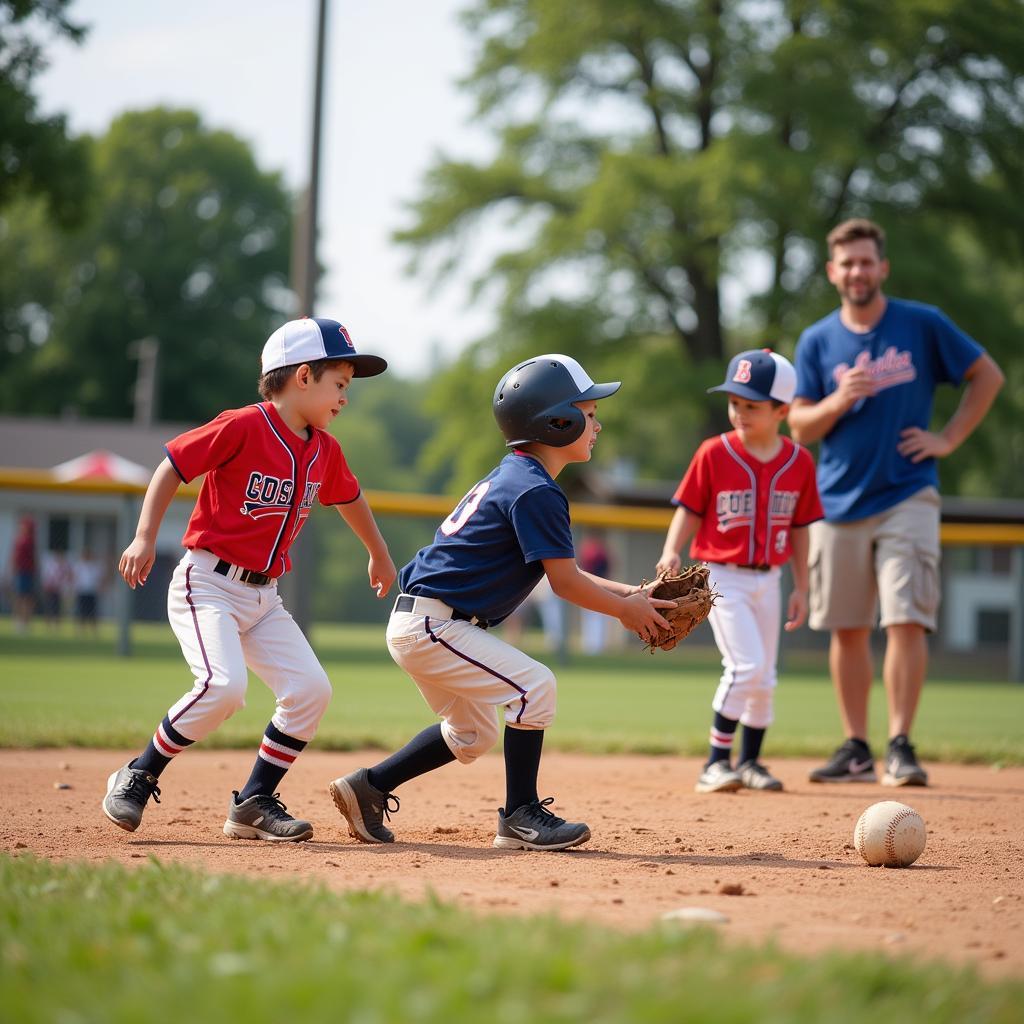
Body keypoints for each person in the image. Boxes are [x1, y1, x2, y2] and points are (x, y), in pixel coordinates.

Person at [327, 353, 673, 852]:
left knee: (473, 732)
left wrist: (633, 595)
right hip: (435, 627)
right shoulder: (536, 491)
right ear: (558, 421)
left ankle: (370, 787)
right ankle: (520, 816)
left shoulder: (518, 478)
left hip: (426, 623)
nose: (597, 423)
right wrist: (625, 611)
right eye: (589, 413)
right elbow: (567, 586)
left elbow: (567, 573)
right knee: (536, 686)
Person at [102, 317, 397, 842]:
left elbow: (349, 497)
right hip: (208, 582)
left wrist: (377, 552)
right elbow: (172, 464)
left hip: (264, 597)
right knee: (224, 687)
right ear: (303, 376)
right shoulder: (243, 424)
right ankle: (138, 773)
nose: (345, 397)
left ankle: (254, 802)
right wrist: (144, 536)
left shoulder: (324, 449)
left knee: (310, 690)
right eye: (340, 384)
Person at [789, 219, 1004, 787]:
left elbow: (987, 376)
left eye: (866, 261)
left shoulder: (921, 323)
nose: (857, 271)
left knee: (907, 618)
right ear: (833, 272)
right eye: (847, 263)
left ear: (882, 268)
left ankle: (901, 745)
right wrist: (838, 397)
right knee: (848, 627)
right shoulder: (818, 340)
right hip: (837, 501)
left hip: (908, 492)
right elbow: (800, 425)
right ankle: (857, 748)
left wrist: (949, 439)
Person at [657, 349, 823, 793]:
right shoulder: (714, 452)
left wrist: (802, 586)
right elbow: (689, 509)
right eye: (735, 402)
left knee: (765, 676)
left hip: (770, 577)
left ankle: (749, 762)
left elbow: (803, 528)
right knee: (746, 666)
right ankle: (715, 762)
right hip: (721, 576)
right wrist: (672, 550)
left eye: (752, 405)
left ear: (782, 411)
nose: (739, 412)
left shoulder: (800, 462)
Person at [578, 533, 612, 654]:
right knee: (596, 618)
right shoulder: (597, 551)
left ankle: (593, 646)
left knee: (594, 618)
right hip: (595, 586)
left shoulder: (591, 551)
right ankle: (594, 646)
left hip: (590, 586)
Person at [10, 516, 37, 632]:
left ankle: (25, 622)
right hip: (22, 572)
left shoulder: (30, 541)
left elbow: (33, 559)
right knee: (21, 598)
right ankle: (19, 622)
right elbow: (14, 558)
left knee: (27, 599)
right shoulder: (21, 541)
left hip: (28, 572)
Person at [71, 547, 104, 635]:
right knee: (81, 611)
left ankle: (94, 630)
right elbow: (74, 578)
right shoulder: (79, 566)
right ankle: (81, 629)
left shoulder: (94, 566)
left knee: (93, 612)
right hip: (82, 591)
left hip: (91, 592)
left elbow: (99, 579)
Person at [41, 549, 73, 628]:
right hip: (50, 589)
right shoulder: (50, 564)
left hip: (59, 589)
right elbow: (47, 577)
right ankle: (48, 623)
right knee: (49, 606)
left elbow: (68, 577)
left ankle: (56, 624)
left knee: (57, 607)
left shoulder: (64, 566)